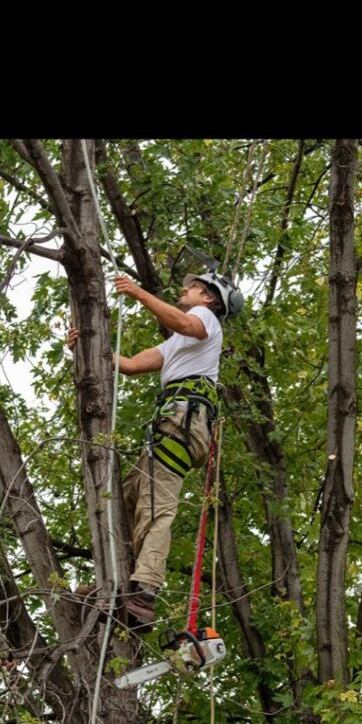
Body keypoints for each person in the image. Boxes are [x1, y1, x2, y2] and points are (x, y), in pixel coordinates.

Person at [68, 269, 243, 627]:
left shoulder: (204, 319)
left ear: (209, 298)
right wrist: (84, 348)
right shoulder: (178, 344)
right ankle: (116, 584)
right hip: (173, 423)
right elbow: (130, 365)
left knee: (157, 506)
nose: (185, 288)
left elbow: (184, 322)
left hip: (183, 422)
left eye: (193, 287)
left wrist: (137, 293)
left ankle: (144, 591)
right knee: (129, 495)